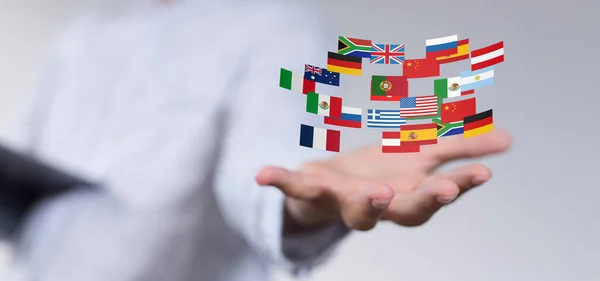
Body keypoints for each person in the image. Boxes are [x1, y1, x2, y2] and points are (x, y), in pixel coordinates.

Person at [3, 0, 512, 280]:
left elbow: (271, 167)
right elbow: (26, 166)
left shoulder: (276, 23)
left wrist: (306, 201)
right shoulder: (85, 34)